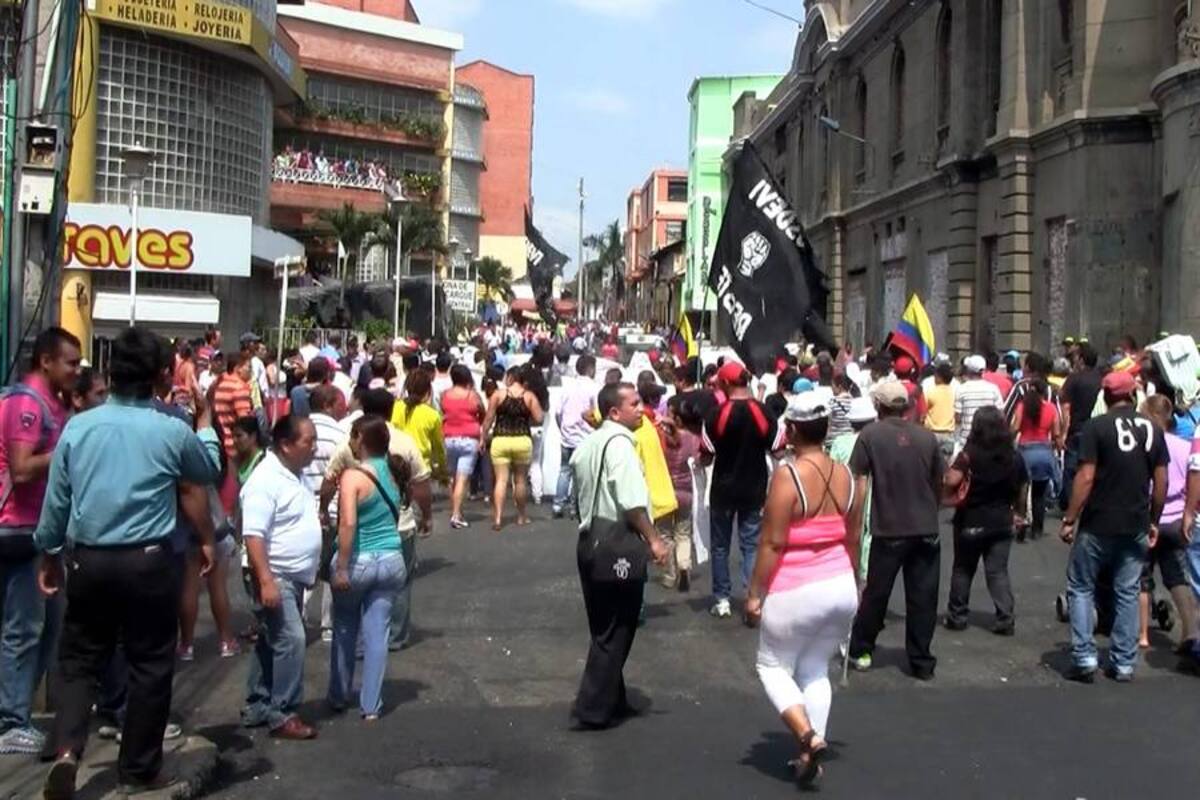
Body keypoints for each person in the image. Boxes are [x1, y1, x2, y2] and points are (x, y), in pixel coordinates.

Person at [35, 327, 221, 796]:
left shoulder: (79, 427)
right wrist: (203, 421)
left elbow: (57, 505)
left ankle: (67, 751)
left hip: (89, 560)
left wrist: (49, 554)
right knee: (150, 664)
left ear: (112, 373)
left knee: (79, 660)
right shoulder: (171, 429)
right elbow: (208, 470)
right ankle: (139, 768)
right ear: (162, 376)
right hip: (148, 562)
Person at [745, 393, 861, 788]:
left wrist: (756, 593)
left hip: (798, 584)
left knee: (771, 666)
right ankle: (810, 753)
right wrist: (857, 582)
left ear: (791, 430)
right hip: (841, 583)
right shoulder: (847, 473)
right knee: (815, 668)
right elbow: (853, 535)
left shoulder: (787, 474)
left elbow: (772, 542)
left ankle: (808, 736)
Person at [568, 383, 669, 730]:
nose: (641, 409)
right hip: (616, 543)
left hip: (589, 541)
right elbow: (631, 501)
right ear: (614, 412)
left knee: (605, 626)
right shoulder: (621, 446)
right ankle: (592, 707)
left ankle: (614, 698)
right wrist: (653, 540)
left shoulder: (589, 443)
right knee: (617, 628)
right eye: (634, 403)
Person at [0, 328, 80, 756]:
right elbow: (22, 468)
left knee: (46, 627)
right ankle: (12, 720)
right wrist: (68, 450)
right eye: (70, 363)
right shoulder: (28, 403)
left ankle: (14, 714)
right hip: (17, 529)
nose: (76, 371)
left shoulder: (51, 403)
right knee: (24, 629)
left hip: (37, 532)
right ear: (46, 361)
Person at [1060, 370, 1167, 683]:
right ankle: (1123, 661)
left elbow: (1086, 476)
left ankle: (1084, 655)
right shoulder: (1152, 429)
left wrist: (1069, 517)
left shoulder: (1096, 427)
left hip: (1098, 521)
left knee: (1081, 586)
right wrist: (1154, 519)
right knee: (1128, 590)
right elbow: (1161, 481)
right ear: (1132, 396)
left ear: (1105, 398)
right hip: (1135, 521)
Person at [320, 389, 432, 653]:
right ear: (392, 409)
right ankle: (393, 637)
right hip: (400, 525)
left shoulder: (353, 442)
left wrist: (324, 509)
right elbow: (421, 483)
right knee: (400, 585)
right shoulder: (404, 441)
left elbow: (329, 480)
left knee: (355, 586)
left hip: (357, 525)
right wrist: (426, 515)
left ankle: (360, 639)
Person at [846, 380, 945, 679]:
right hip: (925, 525)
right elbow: (938, 482)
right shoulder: (927, 438)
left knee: (877, 593)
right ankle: (921, 660)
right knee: (923, 596)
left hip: (889, 527)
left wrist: (854, 525)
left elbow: (860, 484)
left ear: (879, 406)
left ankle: (862, 646)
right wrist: (932, 509)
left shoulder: (870, 436)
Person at [240, 414, 322, 738]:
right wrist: (266, 580)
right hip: (275, 573)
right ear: (286, 445)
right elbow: (253, 535)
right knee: (292, 639)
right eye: (308, 441)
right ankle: (283, 712)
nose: (314, 448)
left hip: (291, 573)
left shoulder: (294, 473)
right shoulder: (265, 480)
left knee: (271, 639)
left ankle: (258, 703)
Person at [328, 417, 410, 720]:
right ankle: (371, 706)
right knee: (378, 634)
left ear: (360, 438)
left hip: (360, 559)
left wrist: (341, 567)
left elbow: (348, 522)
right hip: (391, 559)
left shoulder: (353, 476)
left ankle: (339, 694)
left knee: (346, 627)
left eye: (352, 436)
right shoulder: (395, 471)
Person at [701, 362, 785, 619]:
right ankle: (753, 597)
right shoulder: (763, 412)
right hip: (754, 488)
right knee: (751, 546)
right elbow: (778, 449)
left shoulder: (717, 414)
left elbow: (706, 455)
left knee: (720, 547)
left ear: (726, 384)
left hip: (723, 489)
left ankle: (722, 599)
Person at [943, 407, 1027, 635]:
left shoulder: (969, 454)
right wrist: (1019, 512)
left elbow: (952, 479)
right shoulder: (1013, 456)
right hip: (1001, 519)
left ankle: (957, 616)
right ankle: (1005, 617)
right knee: (997, 571)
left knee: (963, 568)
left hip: (971, 518)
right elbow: (1022, 487)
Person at [1136, 396, 1199, 654]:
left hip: (1149, 517)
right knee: (1178, 579)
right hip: (1176, 520)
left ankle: (1142, 635)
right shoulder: (1183, 446)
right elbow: (1192, 481)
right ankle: (1189, 632)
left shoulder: (1145, 446)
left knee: (1142, 578)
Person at [480, 365, 544, 531]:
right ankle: (522, 516)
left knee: (501, 480)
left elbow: (488, 419)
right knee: (520, 480)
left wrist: (482, 437)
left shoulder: (498, 395)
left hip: (500, 439)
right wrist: (525, 417)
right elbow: (539, 418)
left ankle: (498, 518)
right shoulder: (529, 396)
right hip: (522, 440)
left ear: (509, 378)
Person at [829, 397, 877, 581]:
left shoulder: (840, 442)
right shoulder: (878, 439)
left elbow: (833, 470)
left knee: (847, 533)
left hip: (846, 494)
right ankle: (865, 575)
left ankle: (849, 572)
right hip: (874, 493)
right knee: (869, 534)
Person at [1012, 375, 1062, 540]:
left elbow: (1015, 427)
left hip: (1025, 451)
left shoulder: (1022, 406)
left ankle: (1021, 521)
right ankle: (1037, 529)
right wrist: (1058, 446)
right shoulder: (1051, 408)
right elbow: (1056, 433)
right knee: (1039, 494)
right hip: (1043, 452)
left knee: (1022, 488)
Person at [659, 395, 700, 591]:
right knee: (683, 533)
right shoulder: (693, 439)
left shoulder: (662, 439)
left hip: (665, 491)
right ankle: (684, 565)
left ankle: (669, 573)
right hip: (686, 492)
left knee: (665, 534)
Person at [554, 355, 598, 518]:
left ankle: (558, 505)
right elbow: (596, 413)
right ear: (591, 369)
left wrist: (562, 429)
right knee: (582, 474)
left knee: (564, 471)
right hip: (585, 437)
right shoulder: (594, 388)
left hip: (567, 436)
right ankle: (575, 506)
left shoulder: (568, 387)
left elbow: (558, 412)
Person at [1059, 342, 1102, 510]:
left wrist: (1063, 433)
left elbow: (1066, 409)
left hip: (1077, 430)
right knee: (1094, 467)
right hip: (1097, 429)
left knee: (1071, 469)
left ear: (1081, 359)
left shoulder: (1073, 379)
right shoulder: (1101, 379)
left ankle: (1070, 505)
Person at [440, 364, 484, 529]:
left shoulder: (445, 395)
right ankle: (456, 514)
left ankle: (455, 510)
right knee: (463, 479)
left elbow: (442, 414)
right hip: (469, 439)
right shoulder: (472, 396)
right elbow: (482, 412)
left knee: (453, 477)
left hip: (449, 438)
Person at [391, 370, 447, 494]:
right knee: (422, 511)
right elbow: (439, 448)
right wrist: (443, 473)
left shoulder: (395, 408)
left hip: (396, 464)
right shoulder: (432, 415)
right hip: (421, 468)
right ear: (428, 391)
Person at [954, 355, 1004, 450]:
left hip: (966, 440)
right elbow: (1000, 414)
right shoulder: (993, 389)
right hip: (989, 439)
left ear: (968, 370)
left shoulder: (961, 389)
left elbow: (958, 418)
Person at [924, 361, 957, 460]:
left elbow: (923, 412)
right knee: (945, 468)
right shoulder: (955, 392)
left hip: (931, 434)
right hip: (949, 434)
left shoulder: (930, 392)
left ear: (939, 377)